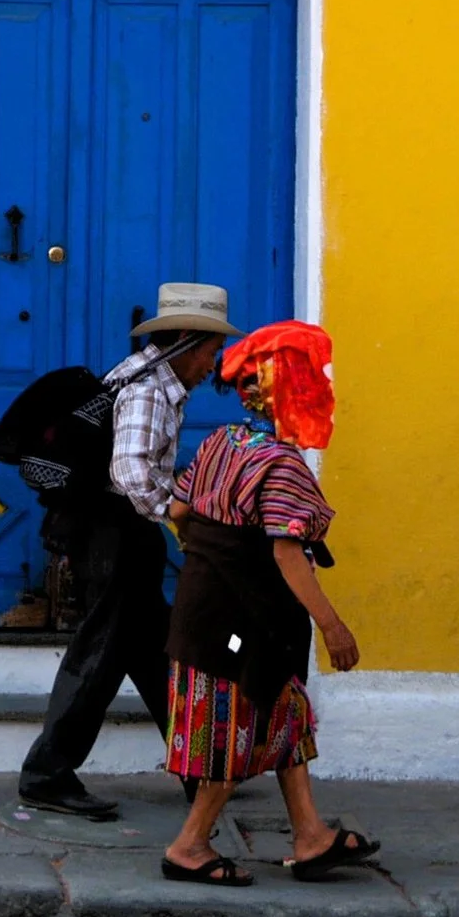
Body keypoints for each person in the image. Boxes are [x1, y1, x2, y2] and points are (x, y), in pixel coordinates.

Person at [159, 321, 379, 885]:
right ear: (292, 392)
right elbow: (287, 554)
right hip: (242, 624)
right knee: (233, 733)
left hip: (203, 612)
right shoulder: (282, 465)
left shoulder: (219, 442)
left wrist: (211, 552)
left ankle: (311, 837)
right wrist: (332, 626)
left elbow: (178, 513)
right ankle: (188, 846)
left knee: (285, 721)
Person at [17, 282, 236, 821]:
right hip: (114, 531)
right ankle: (47, 773)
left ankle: (198, 765)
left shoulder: (149, 380)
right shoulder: (148, 390)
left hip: (121, 531)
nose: (214, 365)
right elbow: (132, 472)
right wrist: (178, 513)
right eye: (210, 351)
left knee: (160, 654)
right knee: (100, 655)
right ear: (185, 340)